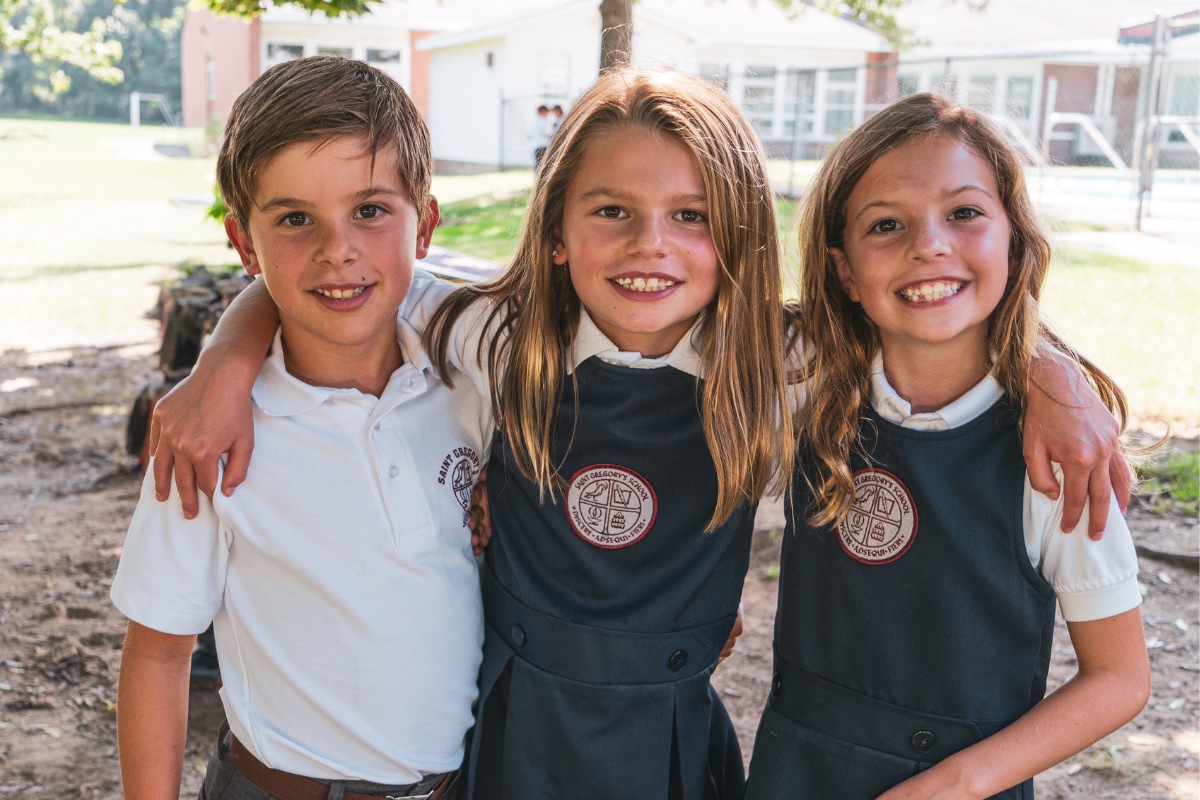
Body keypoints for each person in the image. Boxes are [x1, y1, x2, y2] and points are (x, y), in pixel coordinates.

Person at [146, 72, 1129, 800]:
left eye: (691, 216)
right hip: (516, 734)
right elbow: (340, 278)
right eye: (611, 210)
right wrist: (223, 361)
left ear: (739, 234)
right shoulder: (491, 335)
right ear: (558, 228)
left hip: (665, 745)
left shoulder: (775, 364)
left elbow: (931, 310)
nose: (650, 244)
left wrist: (1058, 377)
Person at [743, 93, 1150, 800]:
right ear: (844, 272)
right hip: (796, 771)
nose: (928, 243)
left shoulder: (1058, 452)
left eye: (963, 213)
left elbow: (1121, 678)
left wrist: (962, 783)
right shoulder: (806, 375)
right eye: (886, 224)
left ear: (1014, 240)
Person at [110, 55, 488, 800]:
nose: (336, 250)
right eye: (294, 219)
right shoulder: (207, 437)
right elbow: (157, 653)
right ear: (244, 244)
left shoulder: (470, 376)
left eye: (371, 211)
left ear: (426, 225)